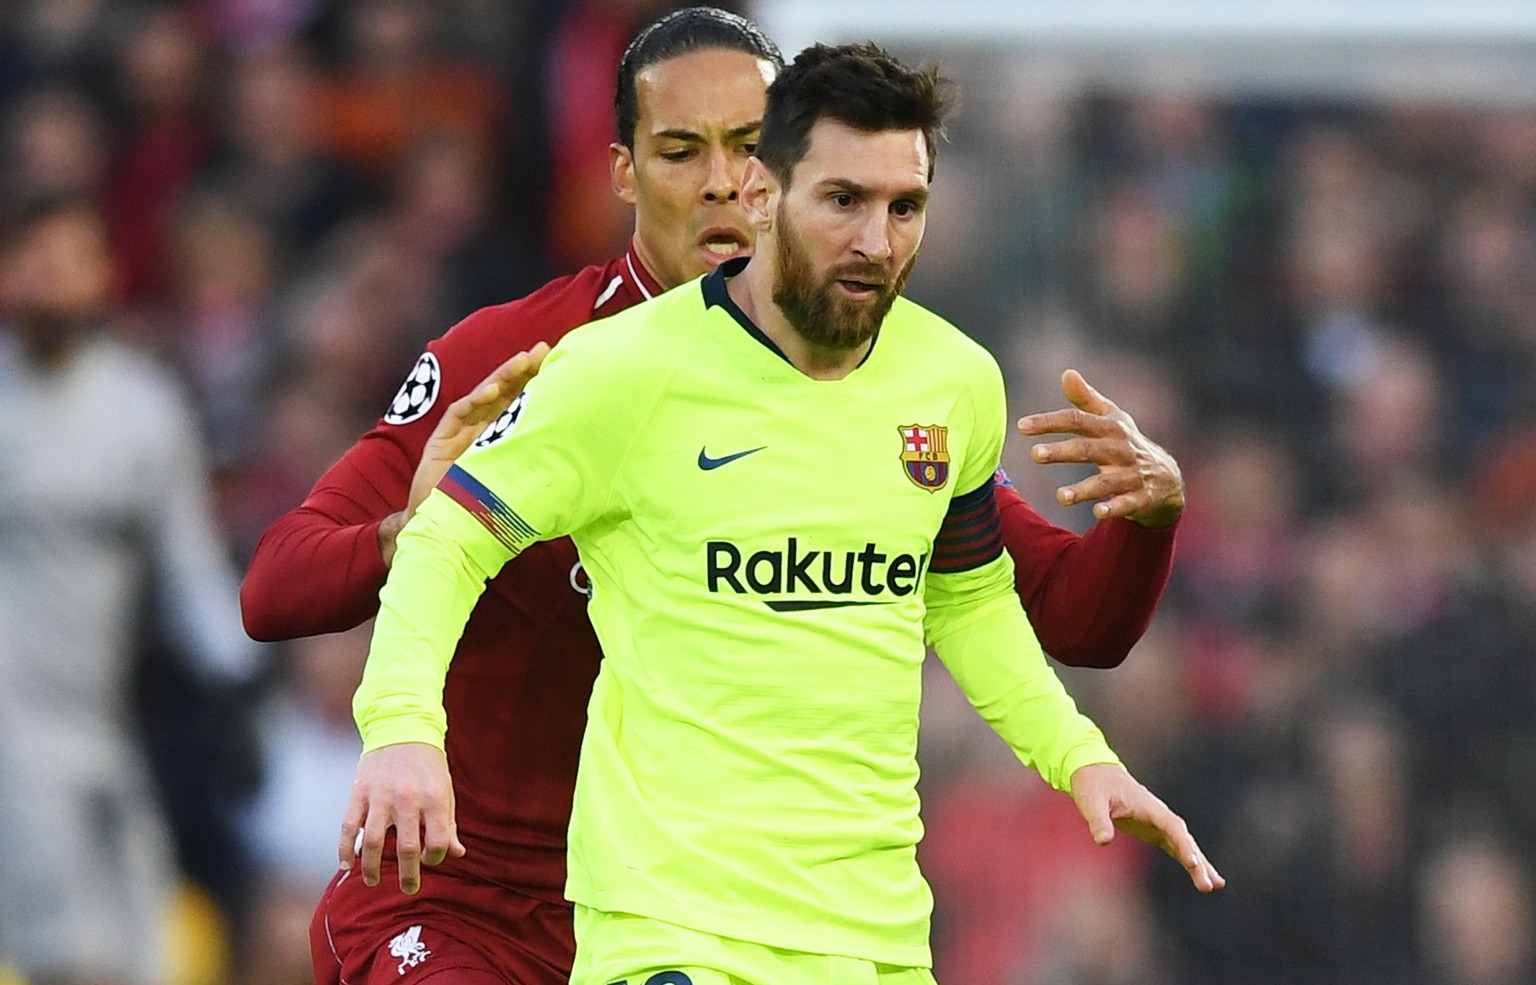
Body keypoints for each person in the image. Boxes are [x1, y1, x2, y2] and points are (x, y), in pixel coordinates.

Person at [241, 8, 1185, 985]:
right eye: (682, 150)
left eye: (748, 147)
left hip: (687, 920)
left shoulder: (865, 390)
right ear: (623, 172)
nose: (724, 183)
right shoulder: (524, 357)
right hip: (462, 901)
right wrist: (414, 527)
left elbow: (1070, 618)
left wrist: (1145, 519)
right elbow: (274, 588)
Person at [0, 196, 259, 985]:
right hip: (13, 718)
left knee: (148, 952)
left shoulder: (142, 407)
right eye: (32, 259)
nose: (51, 280)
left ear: (106, 272)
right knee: (69, 957)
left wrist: (242, 676)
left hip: (105, 719)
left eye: (69, 259)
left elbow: (189, 570)